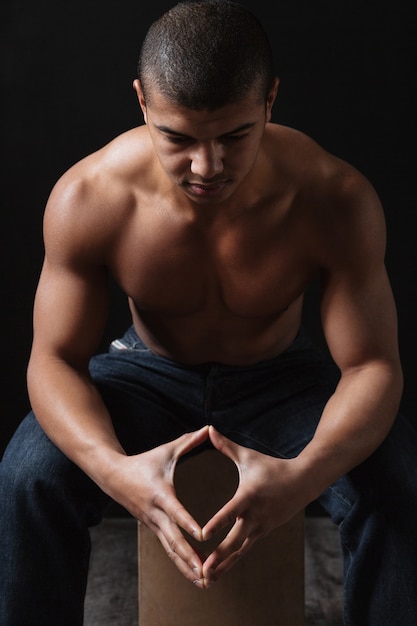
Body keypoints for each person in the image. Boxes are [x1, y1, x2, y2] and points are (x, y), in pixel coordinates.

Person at [1, 0, 417, 624]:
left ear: (269, 101)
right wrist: (115, 472)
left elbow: (374, 367)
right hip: (146, 372)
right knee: (28, 475)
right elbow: (54, 359)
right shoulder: (89, 198)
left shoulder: (333, 197)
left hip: (281, 377)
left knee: (400, 477)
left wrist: (301, 478)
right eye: (178, 138)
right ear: (142, 103)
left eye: (233, 136)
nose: (207, 166)